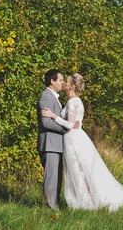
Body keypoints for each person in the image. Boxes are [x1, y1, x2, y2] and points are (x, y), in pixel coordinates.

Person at [41, 73, 123, 211]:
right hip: (72, 138)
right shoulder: (72, 101)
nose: (64, 84)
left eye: (66, 82)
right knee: (77, 171)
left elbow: (71, 125)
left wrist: (53, 116)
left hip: (73, 139)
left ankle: (85, 202)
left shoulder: (73, 102)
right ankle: (83, 200)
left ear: (71, 86)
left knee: (79, 170)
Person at [36, 69, 79, 210]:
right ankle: (49, 206)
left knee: (57, 177)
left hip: (55, 144)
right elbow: (46, 123)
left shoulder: (54, 97)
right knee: (52, 177)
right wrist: (67, 128)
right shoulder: (46, 97)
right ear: (52, 81)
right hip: (49, 144)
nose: (63, 83)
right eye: (60, 80)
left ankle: (55, 204)